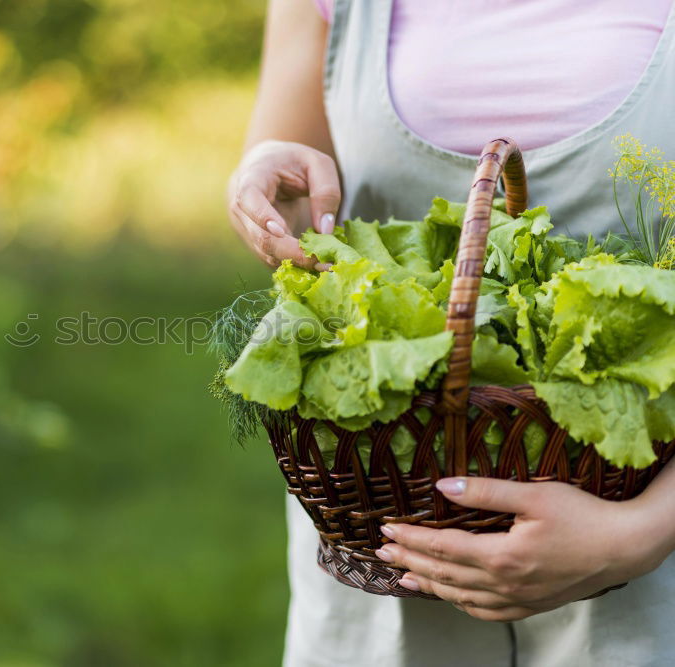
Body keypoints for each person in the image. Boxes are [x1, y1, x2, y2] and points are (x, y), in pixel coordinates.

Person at [226, 1, 675, 665]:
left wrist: (637, 534)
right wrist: (266, 181)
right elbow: (293, 193)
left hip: (649, 559)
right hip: (385, 526)